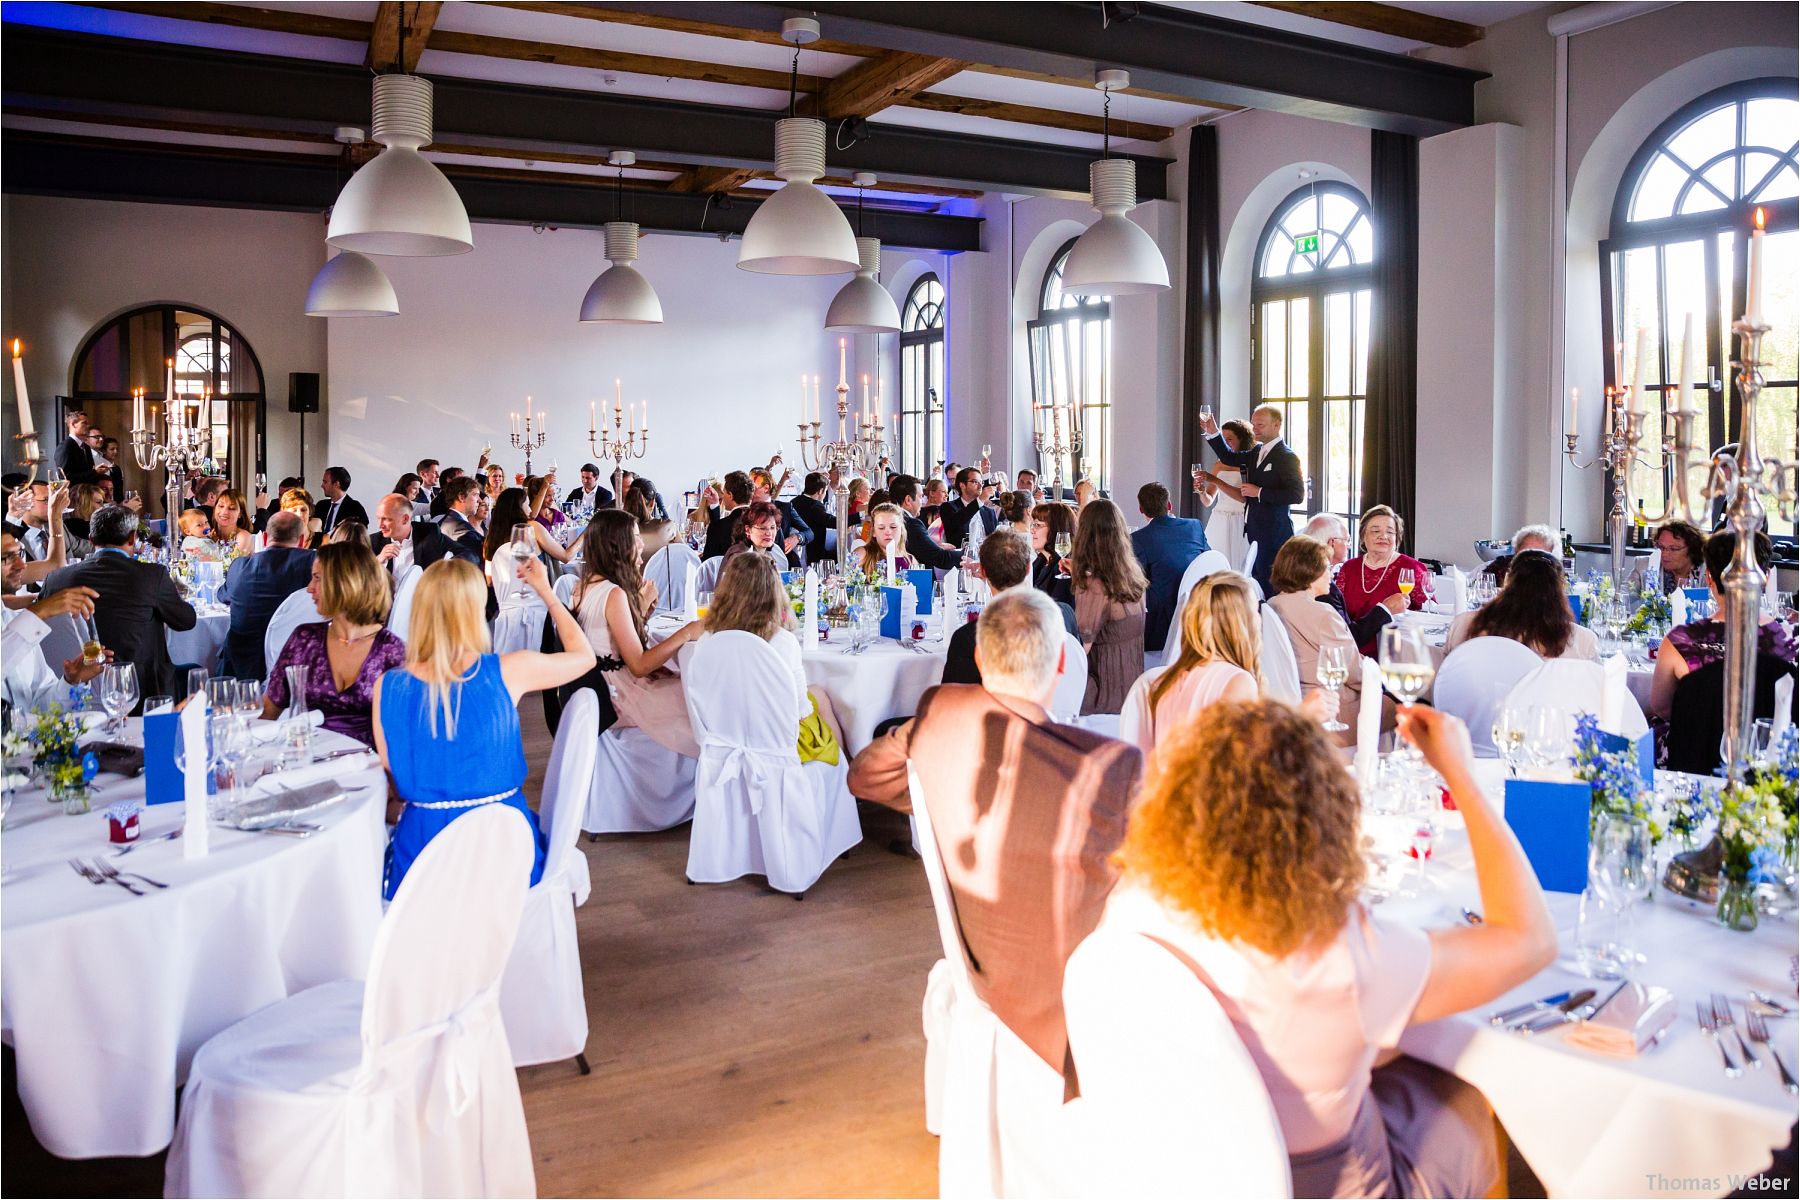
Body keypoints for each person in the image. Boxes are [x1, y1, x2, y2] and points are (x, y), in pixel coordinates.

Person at [1100, 701, 1554, 1198]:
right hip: (1321, 1184)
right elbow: (1530, 941)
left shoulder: (1130, 904)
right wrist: (1462, 777)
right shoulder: (1341, 955)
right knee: (1464, 1098)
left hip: (1183, 1165)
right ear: (1328, 816)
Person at [848, 588, 1144, 1090]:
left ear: (980, 658)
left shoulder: (940, 713)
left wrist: (935, 795)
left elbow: (866, 777)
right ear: (1060, 666)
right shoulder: (1110, 764)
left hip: (979, 959)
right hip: (1068, 999)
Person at [373, 556, 595, 899]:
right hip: (504, 854)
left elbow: (394, 788)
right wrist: (546, 591)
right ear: (475, 612)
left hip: (423, 863)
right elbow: (584, 656)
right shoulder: (508, 670)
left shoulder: (386, 687)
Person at [571, 510, 703, 757]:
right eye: (635, 536)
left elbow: (608, 642)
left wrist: (642, 614)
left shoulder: (584, 585)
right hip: (619, 697)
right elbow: (639, 666)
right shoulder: (614, 594)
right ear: (617, 545)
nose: (642, 543)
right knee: (699, 700)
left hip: (599, 686)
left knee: (685, 684)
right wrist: (687, 632)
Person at [42, 505, 196, 702]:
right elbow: (186, 621)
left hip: (72, 689)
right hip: (140, 690)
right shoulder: (151, 575)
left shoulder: (55, 579)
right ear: (132, 538)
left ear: (91, 539)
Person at [263, 541, 406, 746]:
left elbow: (404, 735)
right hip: (307, 765)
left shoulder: (391, 652)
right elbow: (269, 711)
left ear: (345, 582)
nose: (309, 588)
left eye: (317, 578)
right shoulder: (304, 640)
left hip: (370, 769)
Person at [703, 552, 845, 756]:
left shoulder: (707, 640)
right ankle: (845, 769)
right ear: (774, 591)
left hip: (723, 738)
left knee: (817, 695)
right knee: (819, 698)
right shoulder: (782, 641)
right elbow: (801, 711)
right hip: (777, 745)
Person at [1649, 528, 1795, 719]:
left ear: (1709, 577)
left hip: (1694, 746)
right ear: (1765, 577)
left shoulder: (1679, 642)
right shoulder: (1792, 641)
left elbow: (1661, 707)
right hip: (1766, 745)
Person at [1135, 572, 1261, 754]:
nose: (1258, 619)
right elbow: (1240, 765)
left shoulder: (1166, 680)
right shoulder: (1237, 682)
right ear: (1239, 624)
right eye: (1255, 611)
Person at [943, 530, 1076, 686]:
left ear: (983, 571)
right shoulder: (1065, 614)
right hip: (1060, 707)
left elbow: (954, 699)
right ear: (1028, 569)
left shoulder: (969, 637)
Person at [1268, 536, 1368, 740]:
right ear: (1310, 572)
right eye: (1326, 568)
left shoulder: (1272, 604)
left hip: (1292, 702)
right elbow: (1355, 673)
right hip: (1332, 708)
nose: (1330, 574)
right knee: (1406, 705)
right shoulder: (1323, 613)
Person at [1200, 405, 1304, 594]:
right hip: (1253, 530)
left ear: (1276, 425)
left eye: (1260, 425)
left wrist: (1260, 492)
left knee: (1271, 584)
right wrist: (1213, 432)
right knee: (1256, 583)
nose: (1254, 428)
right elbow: (1228, 456)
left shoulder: (1287, 457)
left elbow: (1296, 495)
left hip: (1274, 532)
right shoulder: (1256, 452)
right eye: (1254, 424)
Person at [0, 532, 109, 711]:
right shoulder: (25, 626)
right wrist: (38, 611)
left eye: (18, 554)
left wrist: (71, 681)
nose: (21, 565)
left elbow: (40, 703)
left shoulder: (14, 622)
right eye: (8, 557)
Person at [1068, 499, 1147, 715]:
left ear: (1084, 536)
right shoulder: (1131, 575)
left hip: (1102, 694)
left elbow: (1078, 653)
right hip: (1132, 687)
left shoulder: (1095, 586)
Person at [1445, 550, 1598, 660]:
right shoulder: (1582, 640)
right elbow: (1596, 691)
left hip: (1477, 704)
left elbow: (1447, 678)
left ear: (1507, 582)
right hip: (1547, 705)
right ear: (1560, 589)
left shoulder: (1463, 624)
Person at [221, 511, 315, 680]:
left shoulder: (240, 566)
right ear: (301, 541)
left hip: (240, 670)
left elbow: (224, 596)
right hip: (292, 666)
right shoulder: (312, 563)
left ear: (264, 538)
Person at [1339, 504, 1435, 655]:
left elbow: (1430, 613)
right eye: (1375, 531)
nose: (1383, 536)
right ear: (1363, 536)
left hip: (1397, 652)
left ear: (1397, 538)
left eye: (1390, 532)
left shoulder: (1412, 568)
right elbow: (1338, 617)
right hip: (1353, 649)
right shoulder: (1349, 568)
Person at [1129, 481, 1210, 654]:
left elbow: (1134, 582)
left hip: (1162, 627)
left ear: (1141, 510)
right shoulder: (1195, 526)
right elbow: (1208, 561)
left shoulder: (1139, 539)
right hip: (1199, 615)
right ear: (1169, 505)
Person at [1303, 512, 1402, 649]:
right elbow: (1348, 638)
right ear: (1332, 543)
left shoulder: (1300, 575)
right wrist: (1385, 609)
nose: (1349, 546)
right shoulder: (1321, 586)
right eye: (1347, 540)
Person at [372, 490, 483, 584]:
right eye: (379, 518)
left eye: (386, 519)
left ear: (405, 519)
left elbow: (469, 555)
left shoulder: (429, 533)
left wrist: (445, 567)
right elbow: (360, 583)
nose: (380, 525)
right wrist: (378, 562)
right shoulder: (373, 542)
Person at [483, 486, 573, 599]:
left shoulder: (492, 538)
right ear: (518, 508)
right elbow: (566, 557)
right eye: (527, 505)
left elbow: (490, 580)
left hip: (506, 603)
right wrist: (586, 534)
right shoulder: (532, 528)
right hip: (538, 599)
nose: (530, 510)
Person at [1194, 417, 1253, 571]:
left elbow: (1243, 498)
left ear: (1242, 439)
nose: (1225, 443)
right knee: (1215, 566)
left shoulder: (1249, 464)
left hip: (1241, 519)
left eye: (1230, 439)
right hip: (1219, 519)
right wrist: (1201, 491)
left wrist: (1215, 480)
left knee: (1240, 566)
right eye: (1223, 439)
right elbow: (1208, 501)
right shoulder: (1219, 464)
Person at [888, 474, 962, 571]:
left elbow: (917, 549)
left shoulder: (890, 519)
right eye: (920, 496)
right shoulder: (911, 524)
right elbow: (941, 558)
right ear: (908, 500)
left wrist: (935, 546)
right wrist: (969, 554)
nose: (922, 501)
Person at [723, 499, 797, 574]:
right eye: (762, 528)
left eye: (772, 528)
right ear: (748, 530)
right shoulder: (739, 555)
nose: (769, 533)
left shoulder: (776, 551)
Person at [939, 466, 1000, 550]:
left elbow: (995, 540)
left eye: (981, 482)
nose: (980, 486)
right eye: (975, 482)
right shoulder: (948, 507)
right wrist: (980, 500)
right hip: (961, 559)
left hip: (987, 558)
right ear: (962, 485)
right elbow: (957, 523)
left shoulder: (989, 512)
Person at [1479, 524, 1557, 587]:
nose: (1532, 557)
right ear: (1516, 551)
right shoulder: (1498, 569)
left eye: (1540, 554)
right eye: (1526, 551)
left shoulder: (1556, 578)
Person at [702, 471, 752, 562]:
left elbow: (709, 563)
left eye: (724, 492)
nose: (723, 496)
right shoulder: (765, 523)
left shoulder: (719, 527)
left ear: (731, 495)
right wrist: (715, 505)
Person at [855, 503, 914, 578]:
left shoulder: (909, 559)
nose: (888, 532)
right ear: (873, 532)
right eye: (881, 528)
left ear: (901, 530)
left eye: (893, 527)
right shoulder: (863, 554)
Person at [1029, 501, 1077, 595]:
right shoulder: (1041, 561)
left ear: (1055, 528)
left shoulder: (1064, 568)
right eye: (1033, 525)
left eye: (1037, 525)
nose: (1032, 530)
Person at [791, 472, 834, 566]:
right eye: (825, 491)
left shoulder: (794, 501)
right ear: (820, 491)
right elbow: (831, 522)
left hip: (795, 550)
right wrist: (858, 516)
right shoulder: (815, 505)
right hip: (813, 553)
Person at [1651, 519, 1705, 591]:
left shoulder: (1708, 572)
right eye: (1661, 547)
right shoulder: (1643, 567)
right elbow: (1632, 599)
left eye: (1673, 549)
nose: (1664, 554)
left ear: (1692, 549)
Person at [54, 409, 103, 486]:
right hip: (74, 494)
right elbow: (65, 477)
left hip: (87, 493)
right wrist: (94, 472)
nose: (88, 426)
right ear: (73, 424)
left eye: (88, 423)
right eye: (84, 423)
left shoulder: (86, 447)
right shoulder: (65, 446)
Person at [317, 466, 368, 536]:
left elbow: (359, 536)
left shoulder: (355, 509)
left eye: (325, 482)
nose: (322, 486)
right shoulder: (321, 506)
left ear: (336, 484)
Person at [210, 488, 256, 556]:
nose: (224, 512)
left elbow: (233, 564)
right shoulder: (209, 535)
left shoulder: (243, 537)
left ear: (240, 514)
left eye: (231, 508)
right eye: (221, 506)